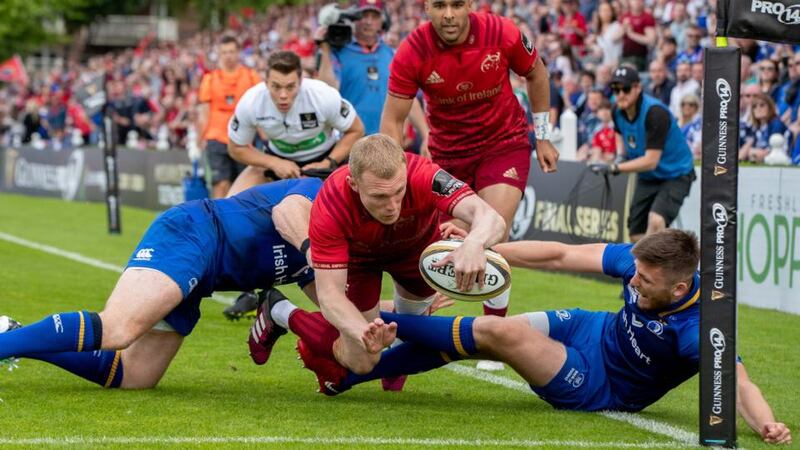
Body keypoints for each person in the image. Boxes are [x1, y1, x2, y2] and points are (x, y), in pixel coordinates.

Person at [295, 229, 793, 446]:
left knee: (492, 331)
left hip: (600, 386)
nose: (633, 281)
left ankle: (367, 327)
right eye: (634, 272)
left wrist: (767, 424)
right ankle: (348, 373)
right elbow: (558, 256)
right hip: (587, 327)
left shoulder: (700, 328)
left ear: (680, 287)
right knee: (480, 336)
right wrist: (482, 247)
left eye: (644, 279)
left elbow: (735, 382)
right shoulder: (640, 266)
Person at [0, 178, 323, 389]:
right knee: (118, 328)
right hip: (195, 234)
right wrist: (316, 255)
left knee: (134, 377)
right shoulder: (315, 194)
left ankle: (14, 334)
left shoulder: (331, 248)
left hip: (207, 277)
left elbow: (335, 304)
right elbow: (286, 213)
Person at [246, 134, 507, 389]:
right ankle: (282, 312)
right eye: (379, 197)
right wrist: (363, 333)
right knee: (363, 360)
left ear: (405, 171)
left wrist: (474, 243)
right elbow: (329, 295)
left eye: (399, 192)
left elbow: (490, 217)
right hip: (361, 264)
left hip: (415, 253)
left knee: (411, 338)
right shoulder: (331, 205)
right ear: (353, 183)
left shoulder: (425, 174)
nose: (393, 205)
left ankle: (391, 386)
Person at [379, 0, 559, 353]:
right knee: (428, 251)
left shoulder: (502, 32)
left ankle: (495, 334)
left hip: (503, 145)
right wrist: (391, 178)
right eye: (439, 5)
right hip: (448, 158)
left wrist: (544, 135)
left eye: (457, 4)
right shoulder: (412, 51)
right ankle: (406, 339)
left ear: (470, 6)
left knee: (492, 233)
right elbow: (392, 120)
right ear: (426, 8)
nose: (449, 14)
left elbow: (537, 73)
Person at [225, 50, 364, 196]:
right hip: (276, 159)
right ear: (266, 83)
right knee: (231, 200)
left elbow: (357, 130)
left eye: (290, 87)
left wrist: (328, 162)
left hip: (326, 158)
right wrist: (274, 163)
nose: (283, 95)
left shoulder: (323, 95)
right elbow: (235, 147)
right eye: (276, 87)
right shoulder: (251, 102)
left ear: (300, 82)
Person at [590, 66, 694, 243]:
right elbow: (619, 132)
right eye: (615, 90)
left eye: (626, 89)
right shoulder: (617, 111)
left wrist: (616, 167)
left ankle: (659, 269)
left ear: (638, 88)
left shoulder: (655, 113)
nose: (620, 94)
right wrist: (620, 155)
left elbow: (651, 161)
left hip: (676, 173)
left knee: (656, 220)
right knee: (635, 233)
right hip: (649, 177)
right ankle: (656, 262)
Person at [316, 0, 427, 139]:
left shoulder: (392, 54)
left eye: (374, 16)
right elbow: (327, 91)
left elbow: (409, 98)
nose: (368, 22)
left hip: (387, 140)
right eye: (363, 15)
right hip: (350, 139)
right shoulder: (337, 52)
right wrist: (325, 50)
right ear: (354, 19)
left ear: (383, 21)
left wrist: (425, 135)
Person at [196, 35, 261, 199]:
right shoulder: (209, 79)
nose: (228, 56)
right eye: (224, 52)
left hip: (244, 139)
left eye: (232, 51)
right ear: (219, 54)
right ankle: (217, 222)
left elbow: (259, 108)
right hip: (216, 138)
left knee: (245, 186)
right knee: (220, 184)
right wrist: (200, 138)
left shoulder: (251, 76)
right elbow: (204, 112)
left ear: (238, 53)